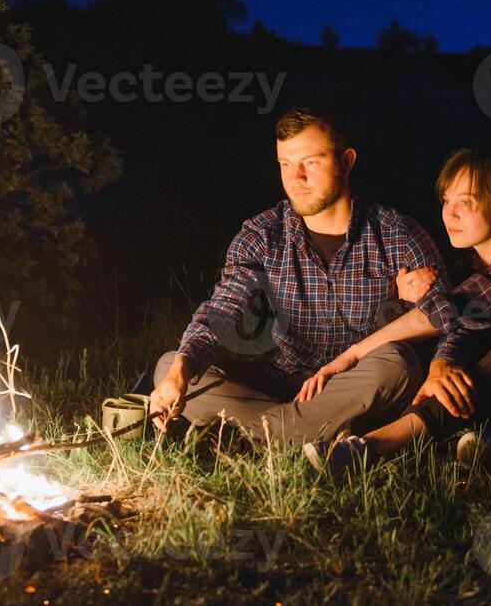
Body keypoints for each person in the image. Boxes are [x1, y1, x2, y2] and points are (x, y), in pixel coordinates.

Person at [147, 106, 452, 446]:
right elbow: (223, 308)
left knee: (398, 363)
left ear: (347, 162)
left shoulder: (397, 234)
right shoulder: (262, 234)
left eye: (312, 162)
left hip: (355, 384)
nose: (297, 178)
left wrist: (442, 363)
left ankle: (260, 435)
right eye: (286, 165)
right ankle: (306, 433)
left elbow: (447, 318)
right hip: (279, 383)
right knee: (169, 366)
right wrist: (180, 369)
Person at [300, 148, 491, 474]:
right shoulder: (463, 268)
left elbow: (452, 310)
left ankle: (371, 449)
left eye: (466, 202)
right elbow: (459, 328)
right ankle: (484, 441)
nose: (451, 214)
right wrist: (438, 354)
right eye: (447, 201)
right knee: (446, 368)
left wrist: (352, 355)